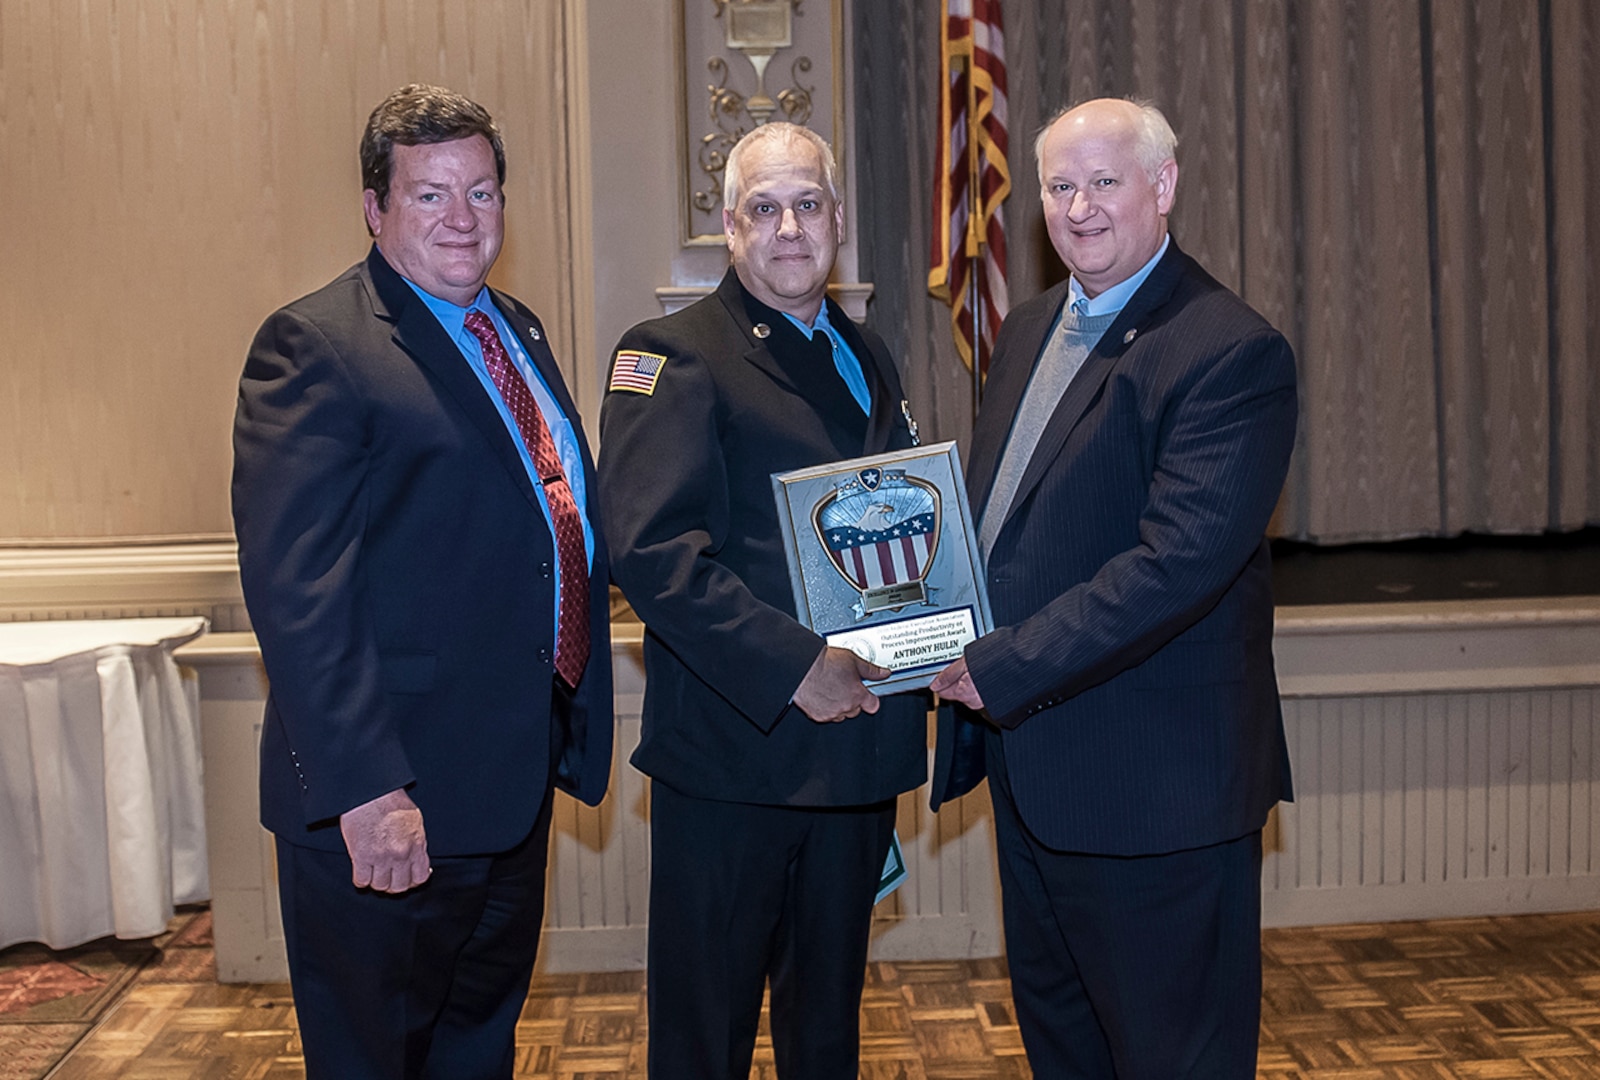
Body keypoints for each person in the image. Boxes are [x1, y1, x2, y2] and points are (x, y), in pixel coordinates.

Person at [232, 84, 612, 1080]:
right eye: (431, 195)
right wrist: (368, 791)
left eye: (481, 193)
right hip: (389, 803)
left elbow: (541, 524)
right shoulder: (315, 346)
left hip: (506, 786)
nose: (462, 220)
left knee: (474, 1050)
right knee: (375, 1059)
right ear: (375, 208)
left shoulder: (514, 330)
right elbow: (298, 592)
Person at [930, 97, 1298, 1077]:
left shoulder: (1228, 350)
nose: (1079, 208)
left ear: (1163, 186)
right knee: (1065, 1050)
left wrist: (1004, 663)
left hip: (1157, 797)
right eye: (1058, 186)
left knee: (1174, 1057)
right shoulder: (1033, 323)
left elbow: (1173, 567)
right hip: (1036, 775)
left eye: (1104, 181)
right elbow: (1001, 517)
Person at [598, 122, 927, 1079]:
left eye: (809, 204)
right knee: (707, 1041)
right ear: (729, 230)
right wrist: (796, 669)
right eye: (765, 209)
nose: (790, 228)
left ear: (838, 221)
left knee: (826, 1036)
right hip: (738, 763)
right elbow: (653, 554)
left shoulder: (870, 354)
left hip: (854, 755)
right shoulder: (672, 355)